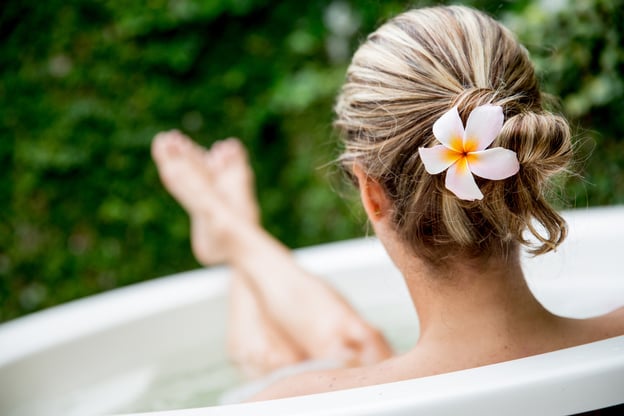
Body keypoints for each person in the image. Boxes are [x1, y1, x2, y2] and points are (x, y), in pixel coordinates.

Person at [151, 5, 624, 401]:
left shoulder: (294, 403)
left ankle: (233, 231)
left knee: (351, 354)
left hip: (363, 378)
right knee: (362, 353)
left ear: (371, 194)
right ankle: (235, 234)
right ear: (527, 160)